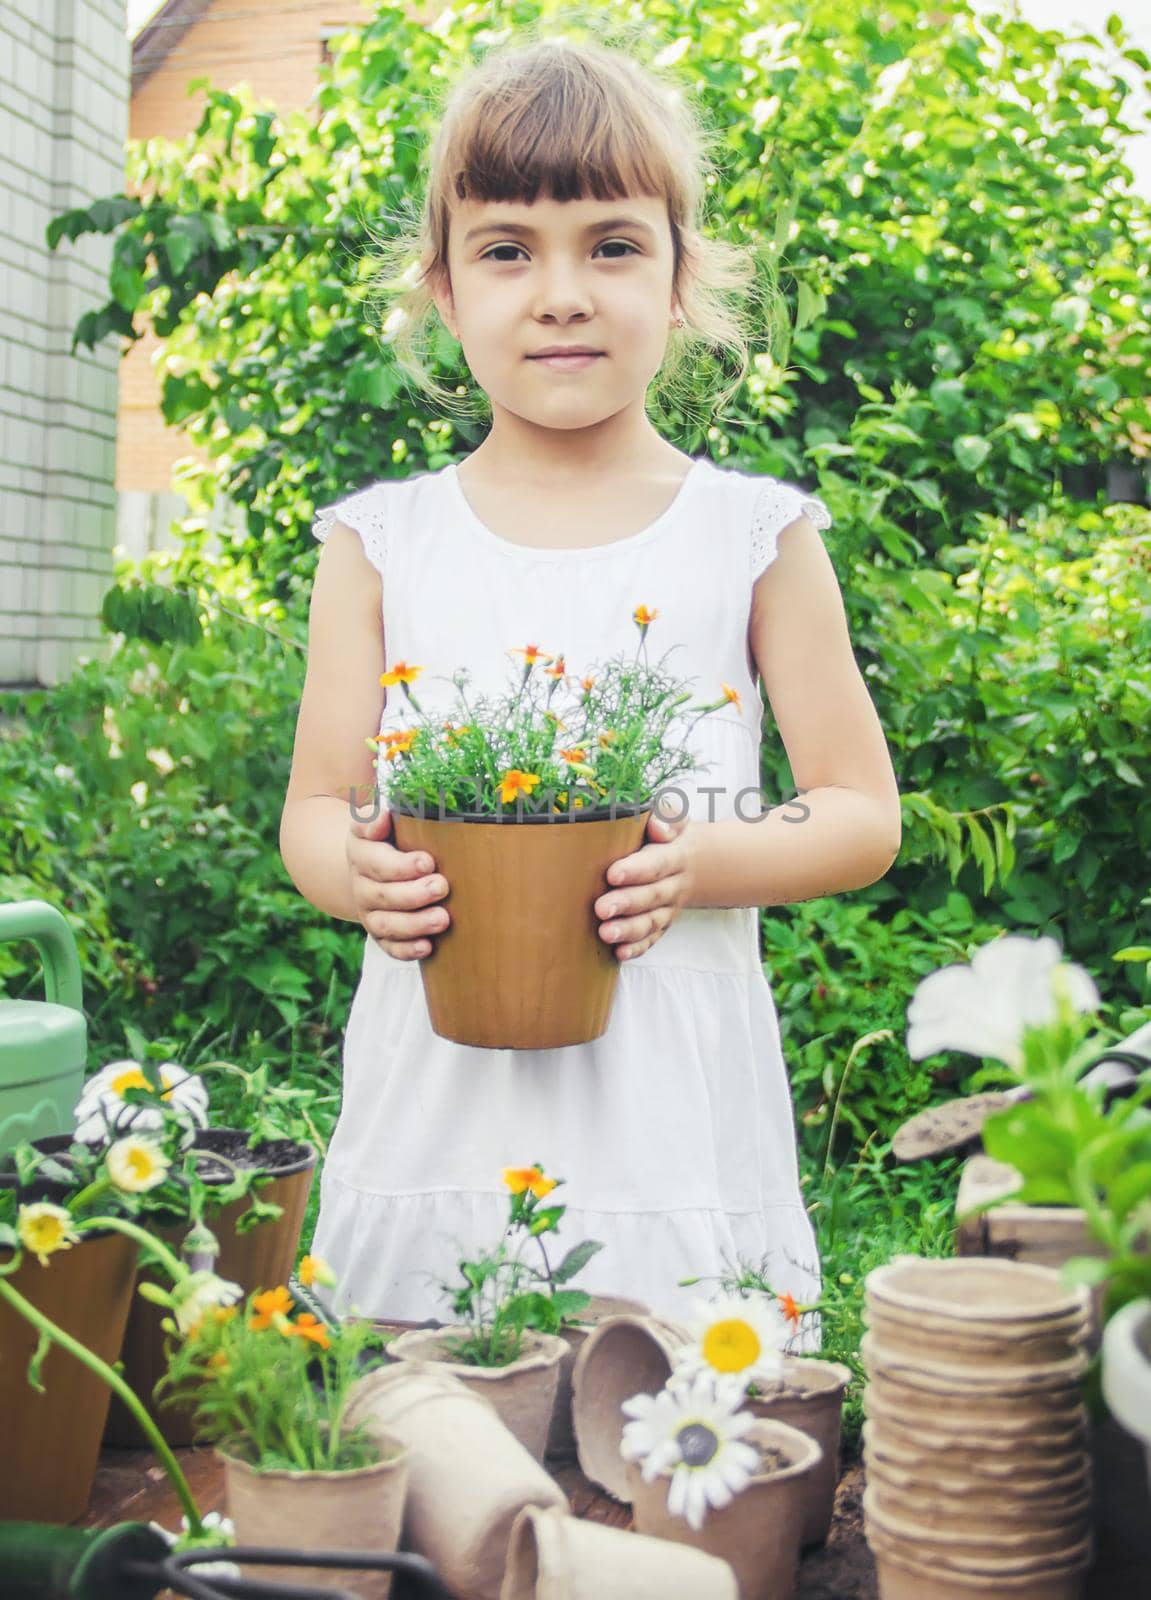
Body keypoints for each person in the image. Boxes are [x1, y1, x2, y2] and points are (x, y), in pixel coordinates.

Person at [279, 34, 902, 1327]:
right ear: (444, 292)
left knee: (678, 1446)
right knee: (423, 1434)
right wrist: (360, 878)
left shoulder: (754, 534)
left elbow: (857, 812)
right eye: (507, 249)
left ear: (680, 282)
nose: (561, 293)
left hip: (668, 1108)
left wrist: (698, 861)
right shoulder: (379, 540)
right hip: (438, 1094)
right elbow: (316, 811)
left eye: (612, 245)